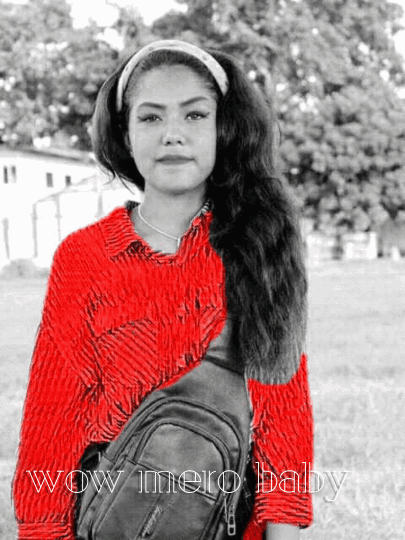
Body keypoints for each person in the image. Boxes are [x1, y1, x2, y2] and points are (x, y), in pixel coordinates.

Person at [12, 40, 314, 540]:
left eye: (195, 115)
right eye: (151, 117)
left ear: (223, 129)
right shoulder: (84, 257)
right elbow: (53, 417)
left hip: (231, 523)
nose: (173, 133)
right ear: (125, 135)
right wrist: (43, 530)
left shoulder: (259, 247)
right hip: (110, 521)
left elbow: (284, 418)